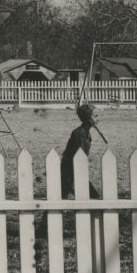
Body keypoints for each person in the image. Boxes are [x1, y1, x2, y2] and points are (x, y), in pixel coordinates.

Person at [35, 103, 102, 241]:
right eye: (95, 116)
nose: (98, 119)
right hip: (70, 173)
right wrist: (76, 178)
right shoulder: (80, 134)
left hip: (72, 171)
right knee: (92, 199)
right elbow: (78, 157)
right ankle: (95, 229)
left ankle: (42, 230)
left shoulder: (85, 132)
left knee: (58, 200)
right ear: (88, 118)